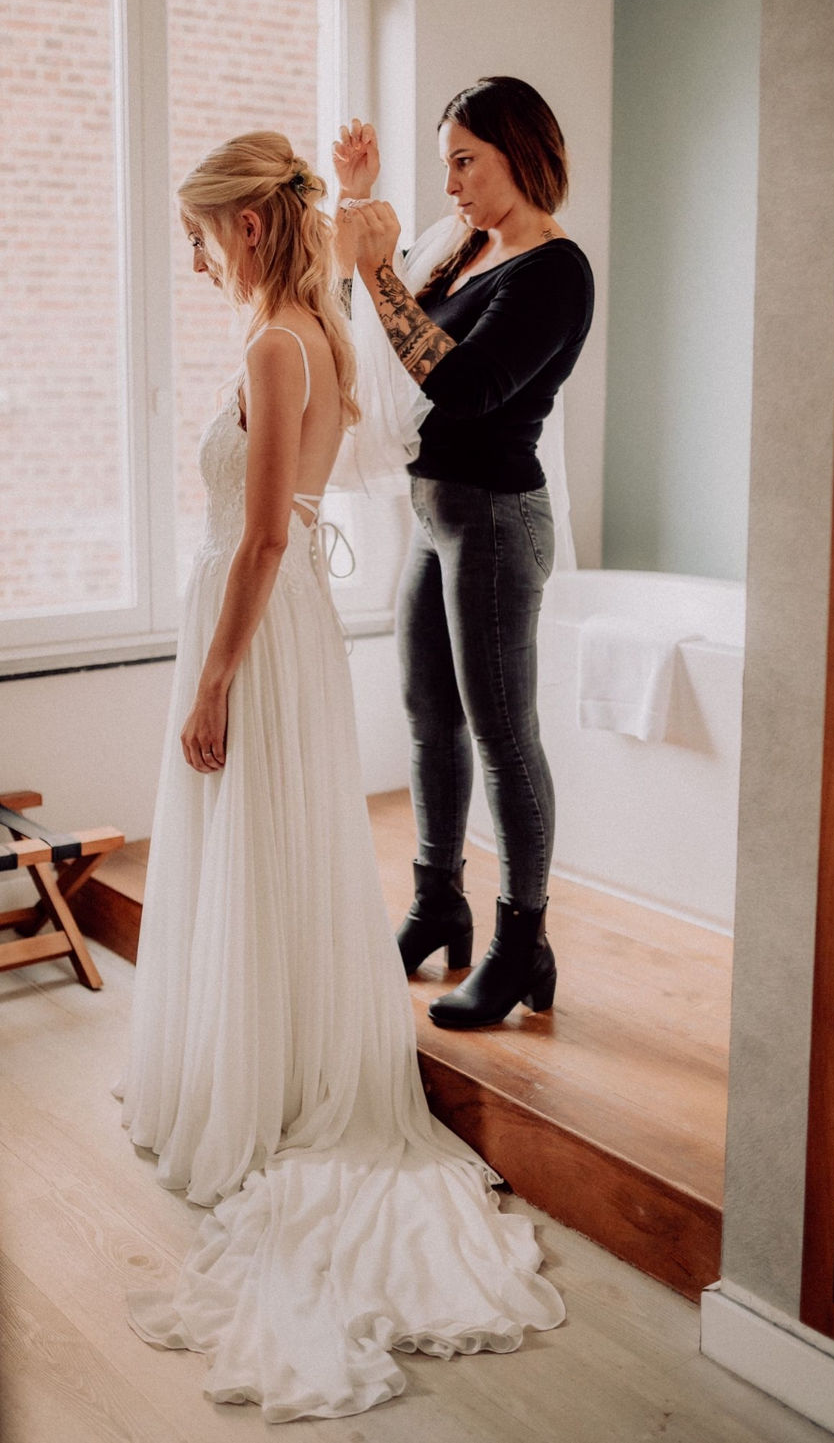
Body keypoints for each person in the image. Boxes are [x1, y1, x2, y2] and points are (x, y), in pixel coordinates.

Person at [117, 130, 563, 1421]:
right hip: (289, 624)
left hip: (256, 627)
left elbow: (262, 536)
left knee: (254, 848)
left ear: (248, 227)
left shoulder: (275, 344)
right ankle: (267, 1061)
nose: (195, 261)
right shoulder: (314, 329)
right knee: (277, 854)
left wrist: (212, 681)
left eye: (200, 238)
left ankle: (252, 1088)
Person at [335, 76, 595, 1031]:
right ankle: (437, 902)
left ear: (518, 152)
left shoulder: (555, 271)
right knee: (427, 719)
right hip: (433, 512)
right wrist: (356, 204)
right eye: (445, 162)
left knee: (502, 734)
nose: (449, 184)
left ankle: (521, 940)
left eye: (463, 161)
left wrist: (378, 270)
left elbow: (467, 385)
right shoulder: (464, 247)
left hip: (493, 520)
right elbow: (376, 343)